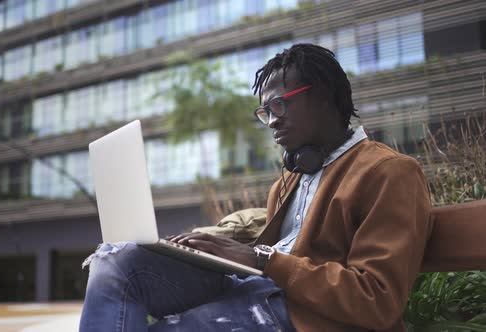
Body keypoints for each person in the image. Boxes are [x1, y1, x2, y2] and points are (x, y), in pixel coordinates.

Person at [79, 44, 433, 332]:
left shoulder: (389, 172)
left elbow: (377, 299)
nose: (272, 120)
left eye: (280, 104)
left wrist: (262, 259)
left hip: (303, 315)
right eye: (265, 111)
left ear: (324, 96)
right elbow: (265, 258)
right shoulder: (290, 181)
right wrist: (211, 251)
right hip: (252, 290)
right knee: (118, 259)